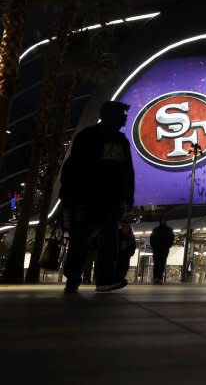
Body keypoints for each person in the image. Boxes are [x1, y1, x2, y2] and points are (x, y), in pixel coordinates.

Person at [61, 101, 135, 293]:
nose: (125, 117)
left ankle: (84, 279)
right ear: (111, 115)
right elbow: (126, 171)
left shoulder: (109, 138)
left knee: (95, 239)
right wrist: (127, 196)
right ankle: (93, 279)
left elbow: (127, 171)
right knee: (91, 239)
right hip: (92, 198)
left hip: (102, 199)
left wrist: (127, 196)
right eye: (122, 113)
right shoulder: (102, 138)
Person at [149, 217, 174, 284]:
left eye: (164, 220)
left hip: (163, 249)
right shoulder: (158, 230)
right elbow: (152, 239)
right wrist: (154, 247)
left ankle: (159, 278)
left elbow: (172, 239)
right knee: (157, 263)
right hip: (157, 249)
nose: (163, 221)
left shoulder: (167, 230)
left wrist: (168, 246)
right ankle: (156, 278)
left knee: (161, 263)